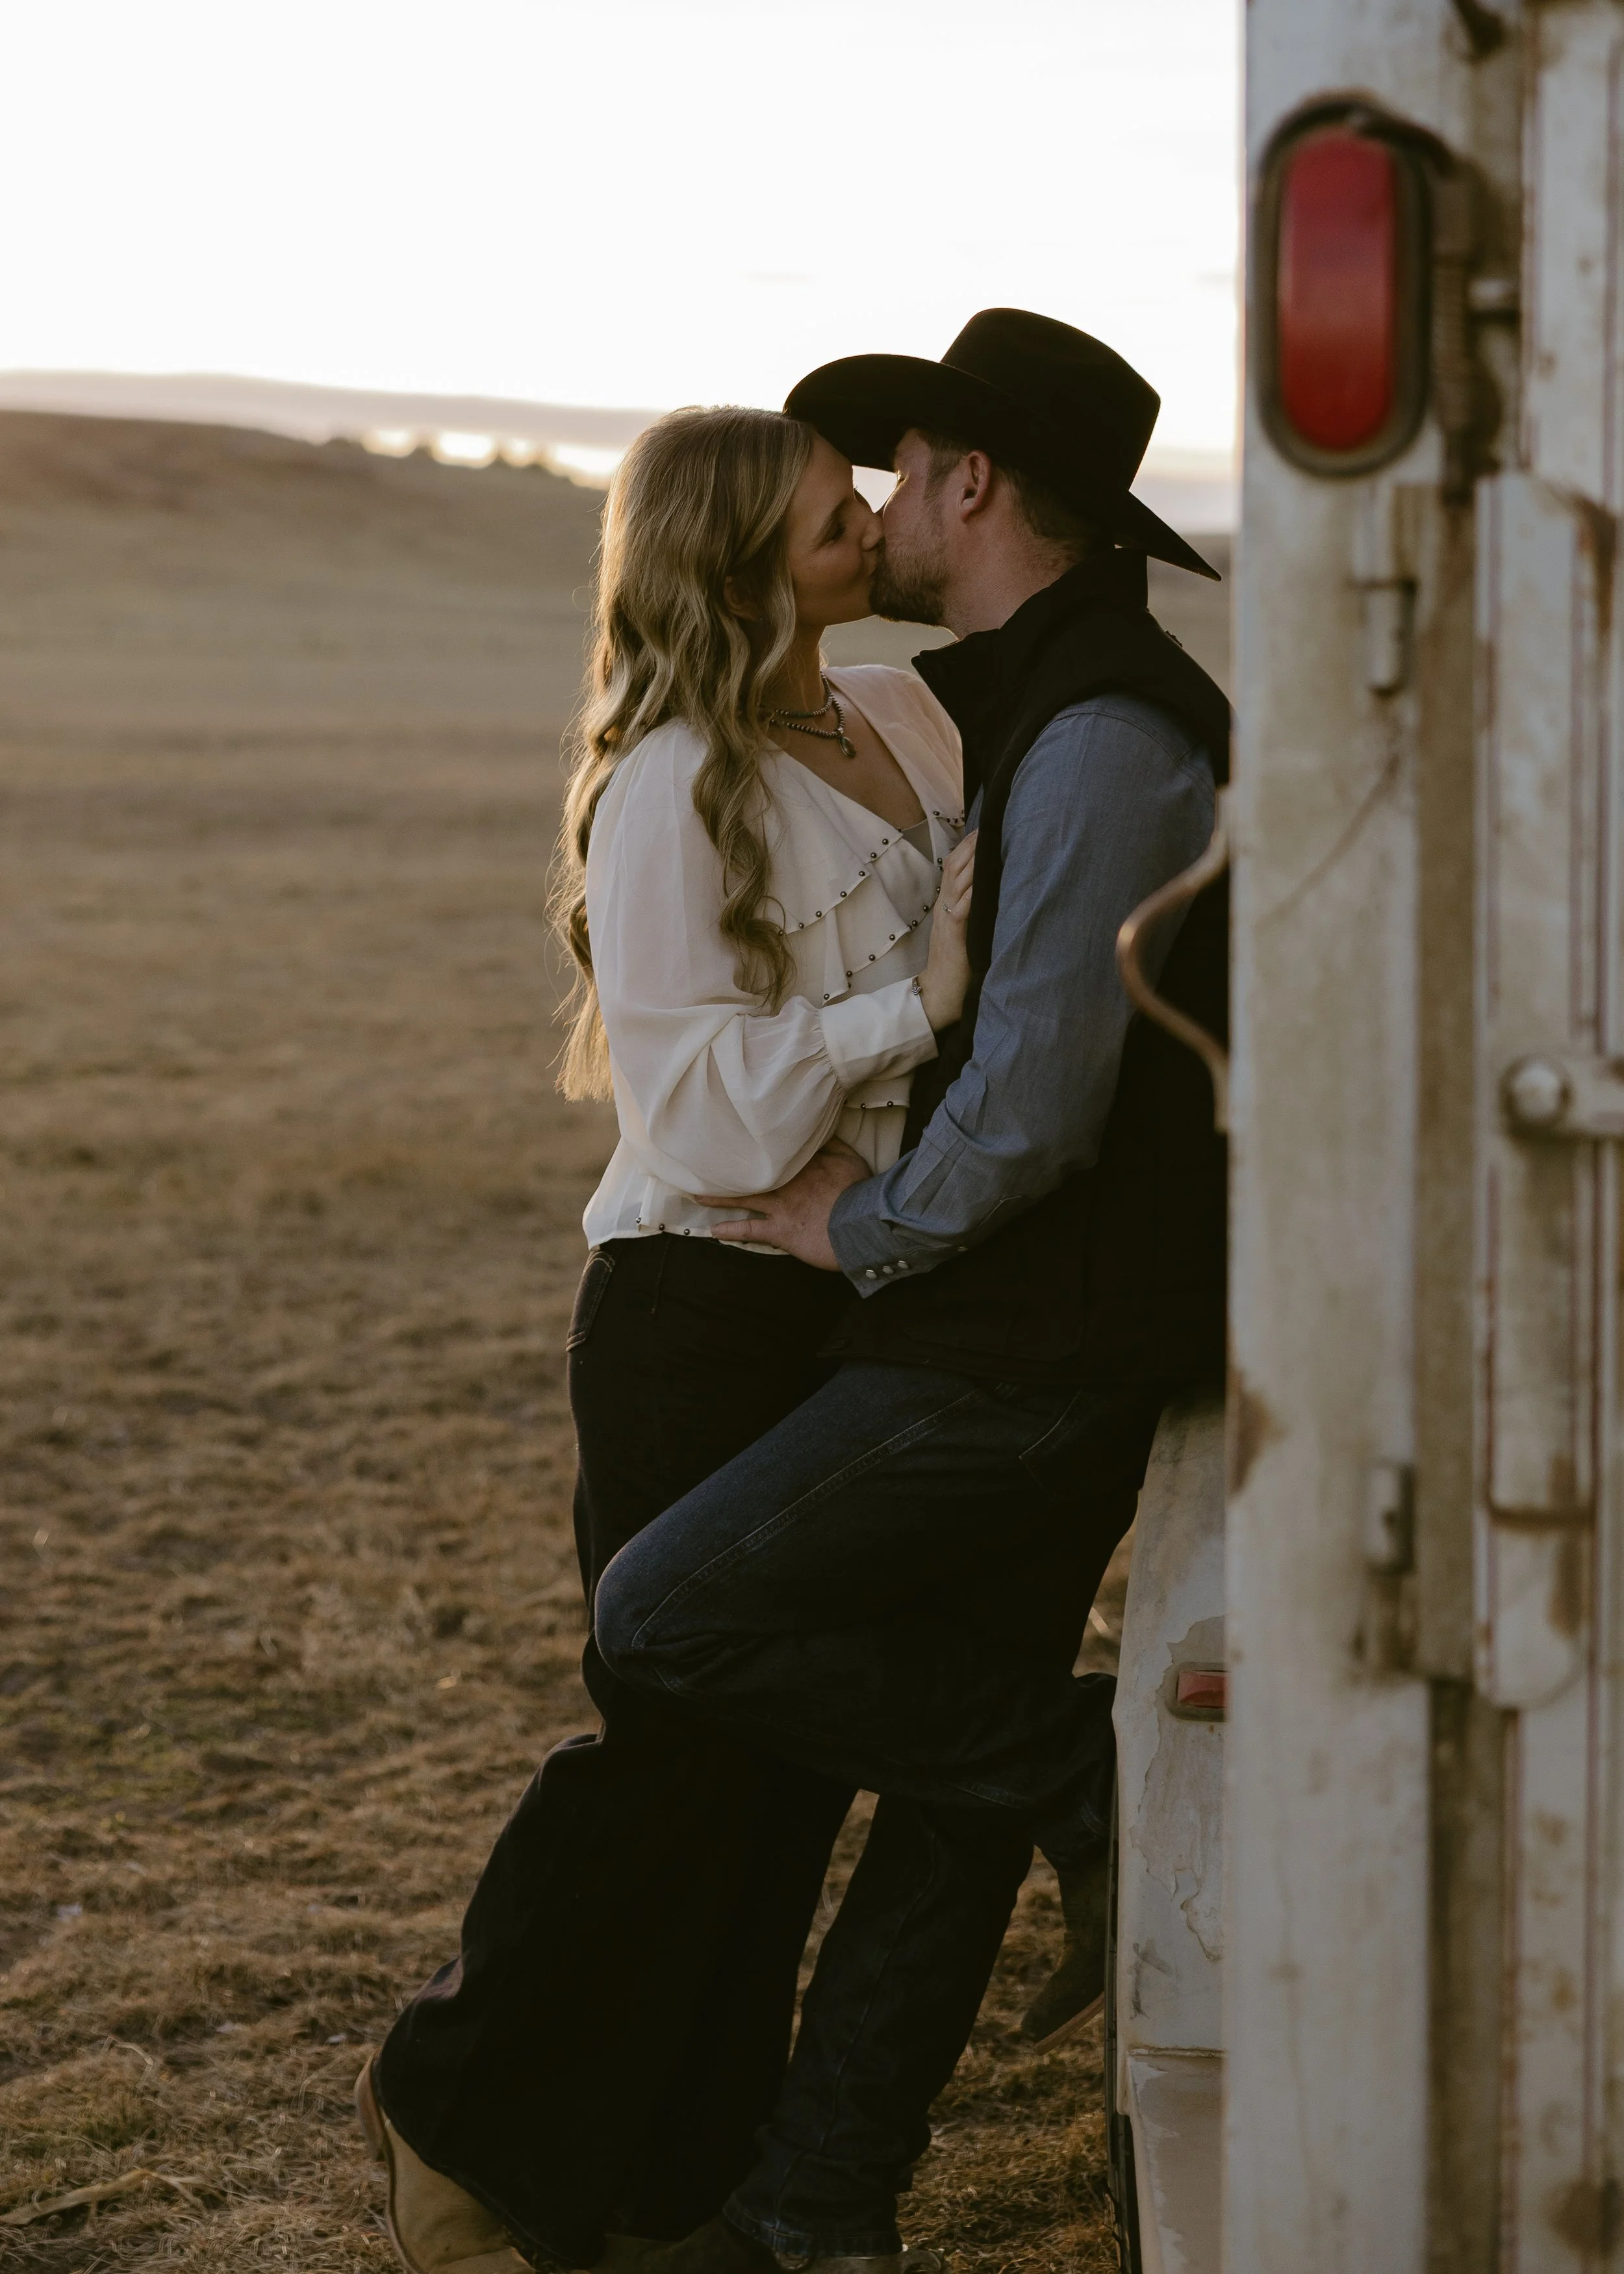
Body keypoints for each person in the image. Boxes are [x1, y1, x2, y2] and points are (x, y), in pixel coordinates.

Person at [593, 309, 1231, 2274]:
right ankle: (819, 2200)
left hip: (1032, 1332)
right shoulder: (1017, 699)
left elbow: (1033, 1099)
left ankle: (1076, 1764)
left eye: (893, 472)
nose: (873, 509)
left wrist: (863, 1234)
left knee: (668, 1611)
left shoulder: (1105, 732)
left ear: (969, 480)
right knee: (954, 1777)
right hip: (1029, 1312)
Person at [354, 405, 971, 2274]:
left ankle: (670, 2188)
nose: (866, 525)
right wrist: (916, 1000)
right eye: (826, 518)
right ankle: (455, 2114)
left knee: (789, 1773)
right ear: (732, 564)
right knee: (681, 1743)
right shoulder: (667, 783)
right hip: (696, 1310)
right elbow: (696, 1119)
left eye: (859, 499)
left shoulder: (904, 717)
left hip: (856, 1300)